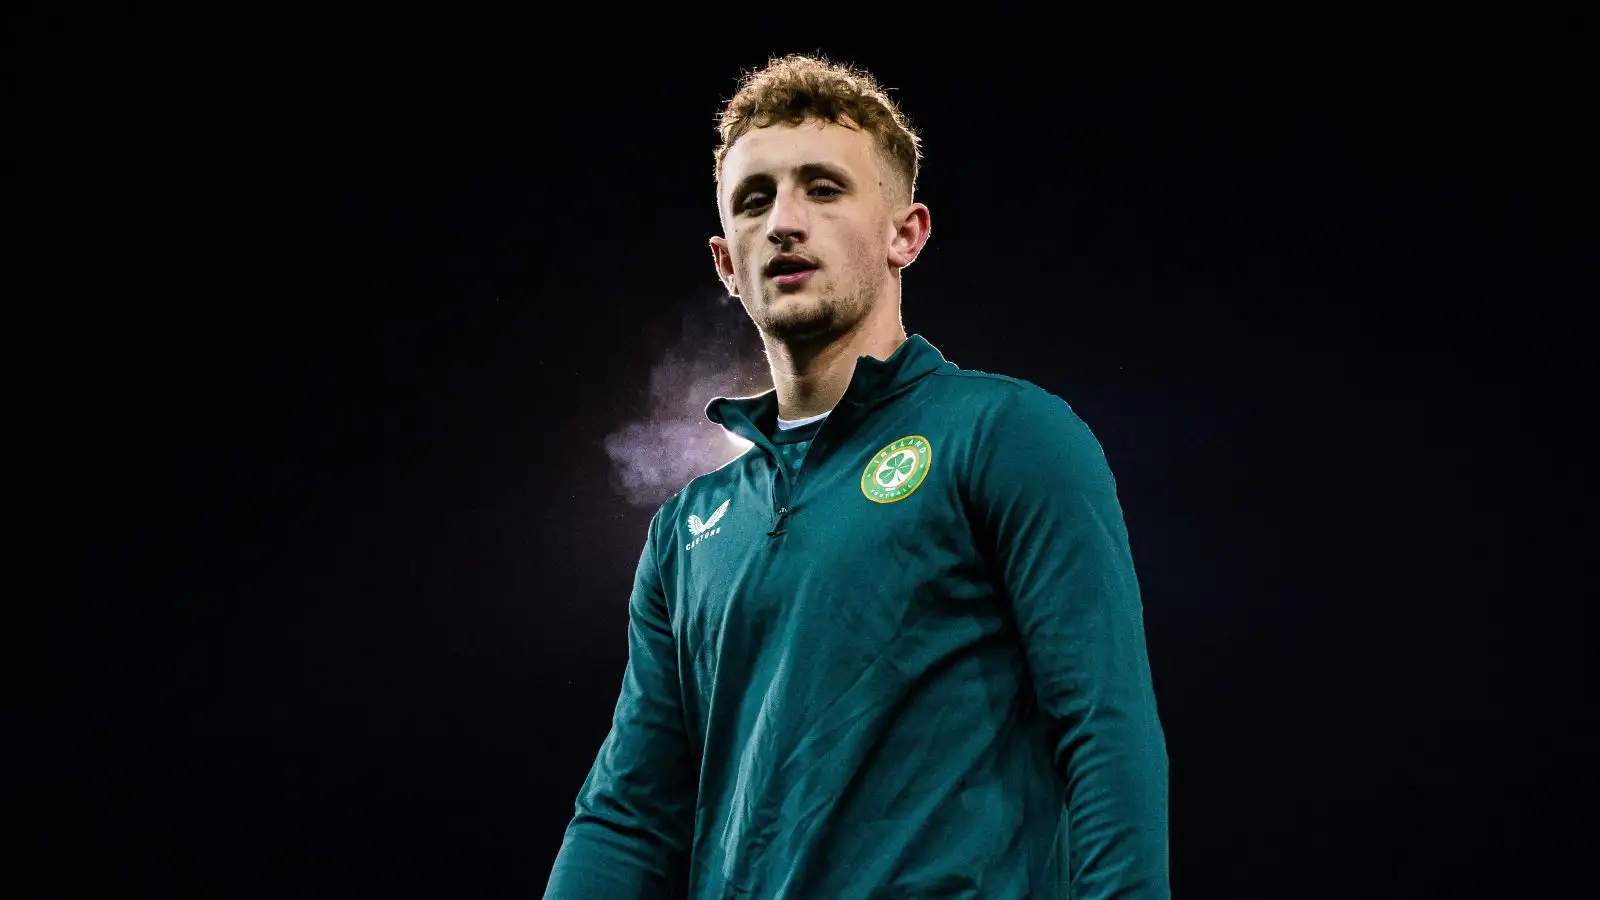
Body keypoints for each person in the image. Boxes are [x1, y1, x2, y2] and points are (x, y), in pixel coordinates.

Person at [545, 54, 1169, 899]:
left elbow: (1104, 729)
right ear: (727, 263)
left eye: (824, 189)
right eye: (755, 200)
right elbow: (629, 813)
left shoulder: (1008, 435)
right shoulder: (689, 527)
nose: (784, 223)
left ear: (905, 233)